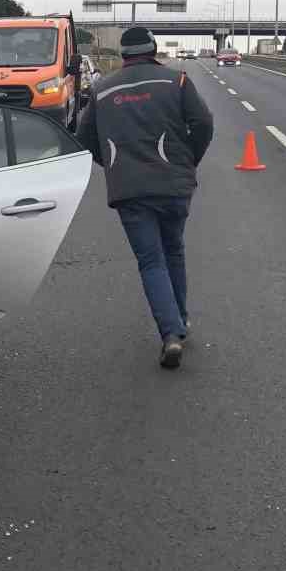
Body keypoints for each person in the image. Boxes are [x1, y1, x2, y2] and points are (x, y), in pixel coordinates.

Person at [76, 26, 214, 368]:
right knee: (174, 250)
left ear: (122, 54)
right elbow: (204, 124)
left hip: (129, 189)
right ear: (153, 49)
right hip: (174, 184)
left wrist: (110, 163)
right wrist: (188, 160)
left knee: (151, 260)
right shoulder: (177, 82)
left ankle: (170, 333)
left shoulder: (101, 90)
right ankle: (179, 322)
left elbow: (83, 136)